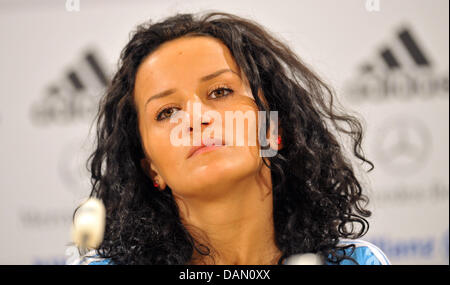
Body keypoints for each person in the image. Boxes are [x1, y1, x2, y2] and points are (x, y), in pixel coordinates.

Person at [72, 11, 390, 265]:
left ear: (271, 130)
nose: (196, 117)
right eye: (167, 112)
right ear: (151, 168)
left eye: (220, 91)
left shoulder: (359, 263)